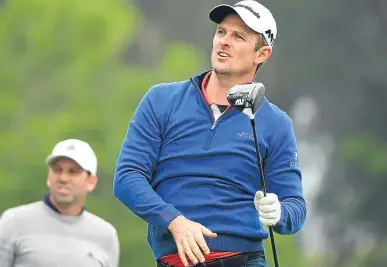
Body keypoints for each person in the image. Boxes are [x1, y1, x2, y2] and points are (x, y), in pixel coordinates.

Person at [113, 1, 306, 267]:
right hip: (173, 259)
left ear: (261, 54)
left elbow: (296, 207)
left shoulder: (276, 124)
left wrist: (280, 212)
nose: (224, 42)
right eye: (221, 32)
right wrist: (175, 221)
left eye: (238, 36)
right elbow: (127, 177)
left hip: (243, 259)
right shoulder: (161, 100)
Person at [0, 139, 120, 267]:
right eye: (57, 170)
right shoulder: (14, 222)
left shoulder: (106, 236)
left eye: (73, 172)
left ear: (91, 182)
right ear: (49, 176)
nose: (63, 178)